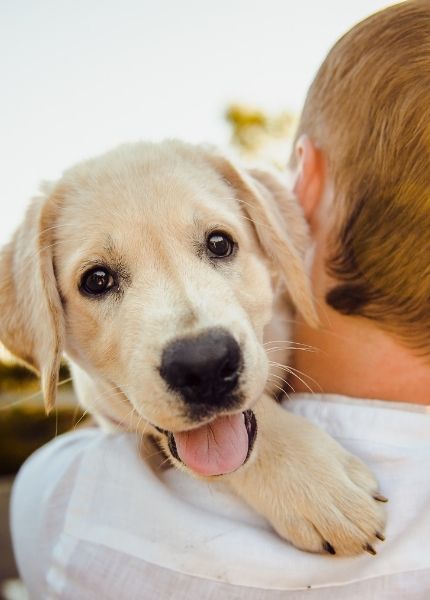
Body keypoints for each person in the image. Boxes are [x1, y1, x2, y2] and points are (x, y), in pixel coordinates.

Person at [10, 1, 430, 597]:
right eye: (100, 281)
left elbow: (39, 495)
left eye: (216, 244)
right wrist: (268, 447)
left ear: (280, 231)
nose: (196, 340)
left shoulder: (65, 507)